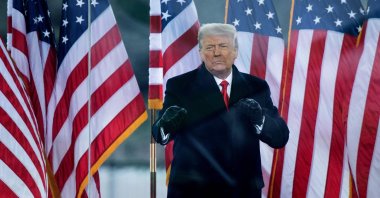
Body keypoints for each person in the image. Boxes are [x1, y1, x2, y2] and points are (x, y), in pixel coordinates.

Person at [152, 23, 289, 198]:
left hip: (243, 191)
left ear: (235, 51)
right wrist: (165, 125)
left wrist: (260, 119)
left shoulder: (256, 86)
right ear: (201, 53)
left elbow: (280, 137)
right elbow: (159, 132)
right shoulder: (180, 85)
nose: (217, 53)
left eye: (223, 46)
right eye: (210, 47)